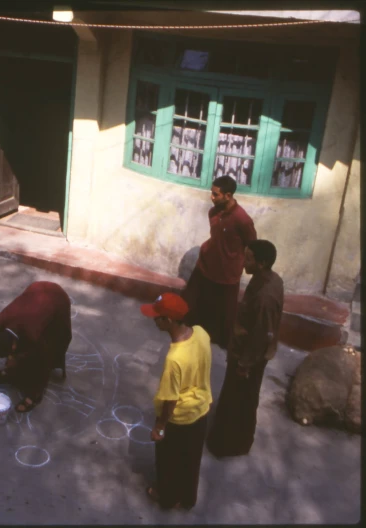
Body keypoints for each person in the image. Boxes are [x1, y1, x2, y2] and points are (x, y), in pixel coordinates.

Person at [207, 240, 284, 458]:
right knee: (242, 397)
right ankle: (235, 440)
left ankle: (228, 445)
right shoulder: (268, 279)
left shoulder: (265, 296)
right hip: (247, 352)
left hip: (249, 357)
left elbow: (260, 334)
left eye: (248, 259)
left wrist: (244, 364)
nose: (244, 262)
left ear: (262, 263)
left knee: (239, 400)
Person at [141, 292, 212, 510]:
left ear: (168, 321)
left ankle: (167, 497)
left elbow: (170, 400)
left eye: (157, 317)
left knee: (169, 461)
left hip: (178, 419)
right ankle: (188, 498)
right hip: (200, 410)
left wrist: (160, 427)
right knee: (190, 459)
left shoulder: (174, 359)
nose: (154, 320)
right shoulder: (201, 333)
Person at [182, 175, 257, 349]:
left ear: (228, 196)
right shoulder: (213, 212)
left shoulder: (242, 220)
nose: (212, 197)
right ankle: (190, 332)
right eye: (212, 193)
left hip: (228, 272)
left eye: (216, 195)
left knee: (226, 313)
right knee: (193, 301)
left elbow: (251, 245)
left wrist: (243, 265)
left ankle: (222, 342)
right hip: (206, 264)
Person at [0, 281, 72, 413]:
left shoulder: (32, 333)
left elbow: (44, 360)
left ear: (14, 346)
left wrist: (15, 360)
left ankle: (35, 395)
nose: (7, 359)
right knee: (21, 358)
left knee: (43, 355)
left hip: (57, 299)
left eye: (8, 356)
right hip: (36, 291)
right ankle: (15, 371)